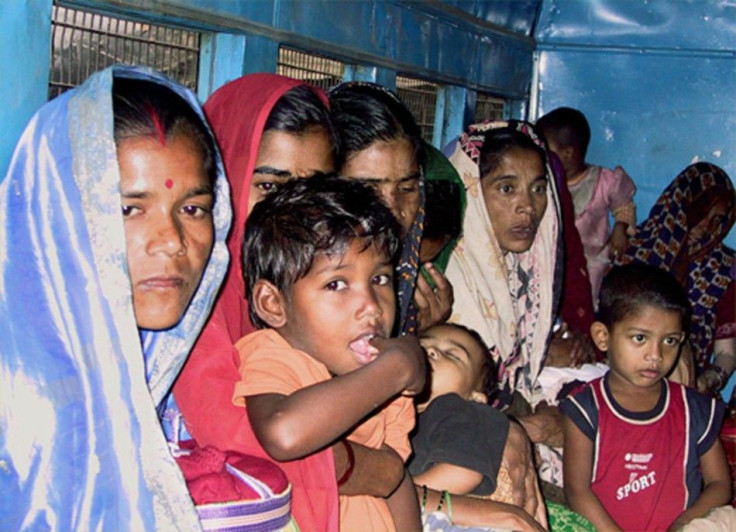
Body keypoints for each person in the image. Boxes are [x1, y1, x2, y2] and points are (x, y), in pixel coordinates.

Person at [0, 65, 231, 529]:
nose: (171, 240)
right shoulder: (21, 409)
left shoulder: (152, 373)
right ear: (58, 215)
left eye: (192, 209)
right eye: (128, 209)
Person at [171, 73, 357, 531]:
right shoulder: (191, 290)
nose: (292, 214)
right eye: (270, 188)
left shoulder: (317, 279)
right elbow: (238, 430)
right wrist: (371, 469)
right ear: (224, 178)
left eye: (312, 189)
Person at [236, 176, 426, 530]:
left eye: (380, 279)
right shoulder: (275, 355)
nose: (371, 306)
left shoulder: (382, 379)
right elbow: (283, 433)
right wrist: (397, 368)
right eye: (336, 284)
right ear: (272, 303)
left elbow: (396, 479)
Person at [560, 263, 733, 531]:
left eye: (670, 341)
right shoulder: (585, 408)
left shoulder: (694, 409)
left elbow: (720, 484)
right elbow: (577, 491)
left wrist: (684, 524)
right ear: (603, 337)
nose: (656, 355)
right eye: (640, 338)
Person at [329, 82, 452, 335]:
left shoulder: (410, 287)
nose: (393, 210)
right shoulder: (300, 282)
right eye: (368, 190)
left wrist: (416, 332)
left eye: (407, 188)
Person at [409, 323, 548, 531]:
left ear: (475, 397)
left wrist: (396, 494)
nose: (431, 351)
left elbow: (462, 473)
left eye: (453, 355)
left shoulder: (453, 407)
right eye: (422, 346)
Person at [614, 162, 735, 396]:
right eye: (701, 212)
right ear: (682, 205)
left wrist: (708, 380)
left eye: (718, 220)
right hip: (625, 384)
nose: (707, 227)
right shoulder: (635, 253)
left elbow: (726, 353)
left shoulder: (723, 270)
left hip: (690, 388)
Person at [536, 107, 637, 301]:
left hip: (592, 258)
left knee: (586, 297)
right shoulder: (545, 181)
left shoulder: (604, 181)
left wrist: (620, 228)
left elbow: (624, 205)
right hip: (552, 257)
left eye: (546, 151)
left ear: (568, 153)